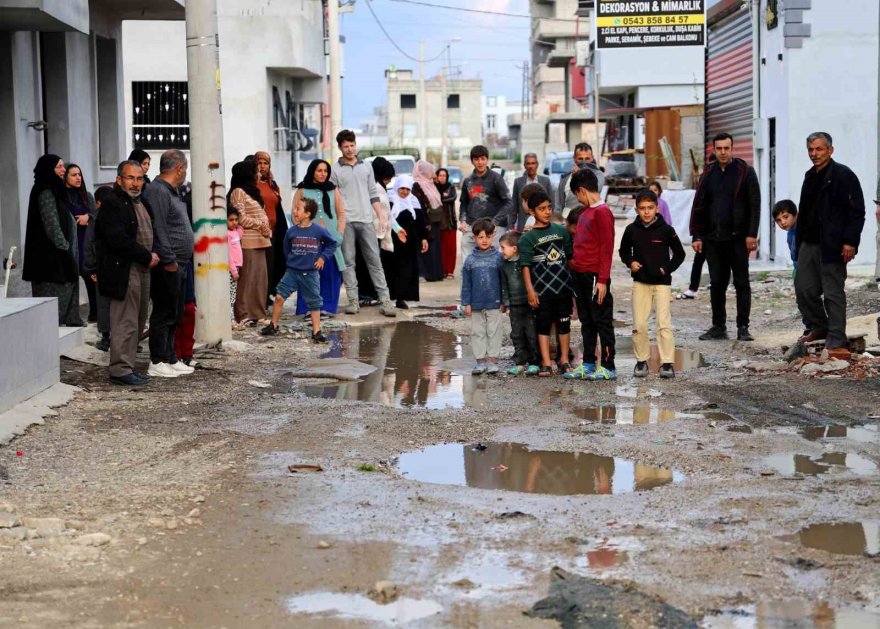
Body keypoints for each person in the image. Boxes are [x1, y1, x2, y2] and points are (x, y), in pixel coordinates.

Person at [794, 132, 865, 349]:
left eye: (819, 149)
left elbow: (857, 212)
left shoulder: (844, 176)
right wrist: (798, 242)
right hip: (809, 242)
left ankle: (836, 337)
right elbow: (804, 211)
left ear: (830, 150)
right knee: (803, 288)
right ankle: (819, 326)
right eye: (811, 150)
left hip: (834, 245)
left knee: (833, 292)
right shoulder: (810, 176)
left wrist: (850, 242)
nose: (814, 154)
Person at [689, 133, 761, 341]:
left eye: (726, 148)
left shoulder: (744, 172)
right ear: (714, 150)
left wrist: (751, 235)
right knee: (717, 283)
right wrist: (697, 235)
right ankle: (718, 326)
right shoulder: (708, 174)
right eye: (719, 148)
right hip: (713, 239)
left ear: (732, 148)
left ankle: (743, 327)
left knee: (741, 283)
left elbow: (754, 206)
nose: (722, 152)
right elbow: (699, 205)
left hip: (738, 239)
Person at [95, 160, 160, 386]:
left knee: (139, 319)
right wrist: (146, 256)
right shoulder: (113, 203)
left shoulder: (141, 202)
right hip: (125, 269)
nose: (135, 183)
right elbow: (117, 240)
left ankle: (127, 366)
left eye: (139, 178)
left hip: (142, 268)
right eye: (130, 178)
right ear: (119, 179)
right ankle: (120, 369)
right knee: (126, 320)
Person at [619, 189, 685, 378]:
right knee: (639, 324)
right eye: (642, 208)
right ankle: (641, 361)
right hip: (641, 283)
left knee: (663, 324)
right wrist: (630, 262)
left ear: (657, 207)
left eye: (650, 207)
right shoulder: (631, 230)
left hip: (662, 284)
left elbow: (680, 254)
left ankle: (666, 363)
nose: (646, 212)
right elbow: (623, 252)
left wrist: (667, 269)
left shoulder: (666, 230)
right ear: (636, 209)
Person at [141, 149, 194, 378]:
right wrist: (170, 259)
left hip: (181, 262)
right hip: (168, 263)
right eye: (186, 169)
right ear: (180, 168)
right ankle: (157, 360)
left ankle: (171, 357)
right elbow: (159, 228)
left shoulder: (172, 191)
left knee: (176, 311)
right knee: (163, 312)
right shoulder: (158, 191)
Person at [330, 131, 396, 316]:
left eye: (352, 145)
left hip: (366, 220)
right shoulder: (334, 169)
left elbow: (373, 193)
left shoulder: (366, 166)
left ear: (355, 144)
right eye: (346, 146)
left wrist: (381, 216)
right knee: (349, 262)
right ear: (340, 148)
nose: (350, 149)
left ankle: (385, 302)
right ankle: (353, 301)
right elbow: (333, 196)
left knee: (375, 261)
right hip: (346, 221)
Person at [565, 168, 617, 381]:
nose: (578, 199)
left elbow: (607, 248)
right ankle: (587, 363)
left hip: (596, 277)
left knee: (601, 321)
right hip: (579, 276)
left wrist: (603, 280)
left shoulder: (602, 212)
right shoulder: (584, 212)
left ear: (582, 191)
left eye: (577, 195)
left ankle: (608, 365)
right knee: (586, 322)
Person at [261, 197, 337, 342]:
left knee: (314, 303)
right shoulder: (291, 232)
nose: (294, 212)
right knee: (279, 297)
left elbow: (332, 244)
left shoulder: (318, 231)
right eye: (295, 209)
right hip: (292, 272)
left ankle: (316, 331)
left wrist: (322, 258)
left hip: (311, 273)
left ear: (308, 214)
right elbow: (286, 250)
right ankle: (274, 325)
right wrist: (292, 262)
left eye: (298, 209)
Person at [22, 155, 84, 327]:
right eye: (59, 167)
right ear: (49, 169)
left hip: (58, 256)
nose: (63, 170)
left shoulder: (53, 190)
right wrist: (65, 249)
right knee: (53, 306)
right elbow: (52, 225)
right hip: (51, 260)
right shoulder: (45, 191)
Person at [519, 190, 574, 377]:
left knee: (564, 324)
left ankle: (564, 360)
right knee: (543, 326)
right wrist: (530, 291)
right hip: (541, 291)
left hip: (563, 288)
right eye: (542, 209)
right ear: (532, 212)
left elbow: (569, 257)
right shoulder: (527, 238)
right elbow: (525, 266)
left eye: (549, 207)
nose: (547, 212)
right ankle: (546, 362)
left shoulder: (561, 231)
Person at [294, 159, 346, 316]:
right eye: (319, 170)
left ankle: (327, 308)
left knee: (331, 275)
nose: (323, 174)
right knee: (308, 275)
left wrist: (339, 235)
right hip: (309, 240)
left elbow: (341, 214)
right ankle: (308, 309)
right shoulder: (302, 190)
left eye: (325, 171)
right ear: (312, 171)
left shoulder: (332, 190)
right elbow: (296, 214)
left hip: (331, 240)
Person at [229, 160, 271, 324]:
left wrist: (266, 228)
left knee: (260, 280)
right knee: (246, 280)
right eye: (256, 171)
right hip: (247, 241)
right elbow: (240, 217)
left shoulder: (253, 192)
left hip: (261, 240)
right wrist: (260, 225)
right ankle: (243, 314)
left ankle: (258, 314)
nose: (259, 173)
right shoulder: (238, 192)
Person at [460, 218, 504, 374]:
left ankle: (492, 360)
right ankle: (480, 361)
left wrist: (504, 301)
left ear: (493, 237)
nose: (484, 240)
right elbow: (466, 283)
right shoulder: (470, 261)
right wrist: (466, 302)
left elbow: (503, 281)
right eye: (480, 237)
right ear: (474, 238)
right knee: (477, 332)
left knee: (495, 331)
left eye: (488, 236)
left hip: (495, 302)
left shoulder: (499, 258)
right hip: (476, 303)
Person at [459, 145, 512, 258]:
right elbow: (463, 203)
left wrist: (495, 222)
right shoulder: (468, 181)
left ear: (487, 159)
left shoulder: (496, 178)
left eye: (483, 159)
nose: (480, 162)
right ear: (472, 161)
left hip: (494, 228)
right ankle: (468, 276)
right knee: (467, 259)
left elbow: (508, 202)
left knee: (492, 261)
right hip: (472, 226)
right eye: (476, 159)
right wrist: (463, 221)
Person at [60, 163, 98, 322]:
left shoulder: (86, 195)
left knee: (89, 275)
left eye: (79, 175)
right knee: (70, 279)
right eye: (73, 175)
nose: (78, 178)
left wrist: (88, 217)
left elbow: (96, 215)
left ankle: (95, 312)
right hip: (69, 241)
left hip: (85, 240)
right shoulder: (60, 195)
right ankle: (70, 314)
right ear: (65, 177)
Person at [499, 231, 539, 375]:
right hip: (514, 306)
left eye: (503, 248)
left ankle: (535, 361)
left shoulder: (525, 262)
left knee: (531, 332)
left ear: (514, 248)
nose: (501, 251)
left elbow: (533, 281)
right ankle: (520, 362)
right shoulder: (503, 266)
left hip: (528, 304)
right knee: (516, 334)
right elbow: (504, 286)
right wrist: (505, 303)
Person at [387, 174, 428, 308]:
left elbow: (420, 222)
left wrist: (423, 238)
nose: (405, 192)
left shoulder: (414, 201)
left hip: (409, 242)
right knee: (392, 268)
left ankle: (401, 298)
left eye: (407, 189)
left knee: (407, 270)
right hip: (392, 241)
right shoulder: (390, 200)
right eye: (402, 188)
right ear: (397, 187)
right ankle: (389, 297)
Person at [253, 151, 289, 301]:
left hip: (273, 231)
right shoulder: (251, 184)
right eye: (259, 163)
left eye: (265, 163)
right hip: (257, 231)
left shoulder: (272, 184)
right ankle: (258, 298)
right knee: (259, 268)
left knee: (271, 266)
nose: (262, 166)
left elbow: (277, 207)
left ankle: (267, 295)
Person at [83, 185, 115, 351]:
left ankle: (107, 337)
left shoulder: (96, 219)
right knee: (109, 303)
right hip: (105, 268)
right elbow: (89, 246)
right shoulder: (97, 220)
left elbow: (88, 246)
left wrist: (91, 269)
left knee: (107, 304)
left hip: (105, 268)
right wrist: (92, 270)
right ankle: (108, 337)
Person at [412, 160, 444, 282]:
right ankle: (426, 274)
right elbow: (419, 205)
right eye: (430, 171)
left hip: (434, 220)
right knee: (427, 247)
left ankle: (436, 274)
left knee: (435, 247)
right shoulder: (417, 185)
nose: (432, 173)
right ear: (424, 172)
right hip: (425, 221)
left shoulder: (431, 184)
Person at [557, 143, 605, 217]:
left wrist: (579, 174)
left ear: (592, 158)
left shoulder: (598, 175)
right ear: (574, 158)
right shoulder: (565, 177)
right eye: (580, 159)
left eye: (587, 158)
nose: (584, 162)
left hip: (589, 217)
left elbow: (595, 190)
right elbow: (559, 203)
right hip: (567, 217)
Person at [511, 153, 553, 231]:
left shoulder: (545, 181)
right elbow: (514, 207)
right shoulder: (518, 182)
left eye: (533, 163)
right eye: (528, 163)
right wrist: (510, 227)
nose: (531, 166)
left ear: (537, 165)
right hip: (523, 224)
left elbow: (551, 202)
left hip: (542, 223)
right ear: (524, 165)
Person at [435, 168, 458, 278]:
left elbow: (451, 197)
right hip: (438, 223)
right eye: (440, 175)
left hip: (450, 222)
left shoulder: (451, 187)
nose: (442, 177)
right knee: (441, 248)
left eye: (444, 175)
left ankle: (450, 271)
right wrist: (442, 196)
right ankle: (442, 270)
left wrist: (439, 198)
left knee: (451, 248)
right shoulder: (433, 188)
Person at [227, 208, 243, 319]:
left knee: (233, 293)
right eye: (231, 220)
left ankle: (231, 317)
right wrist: (233, 270)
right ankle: (230, 317)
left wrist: (239, 225)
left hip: (236, 267)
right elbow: (227, 254)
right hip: (231, 269)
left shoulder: (235, 232)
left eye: (236, 219)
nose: (234, 222)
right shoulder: (227, 234)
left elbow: (241, 231)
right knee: (230, 294)